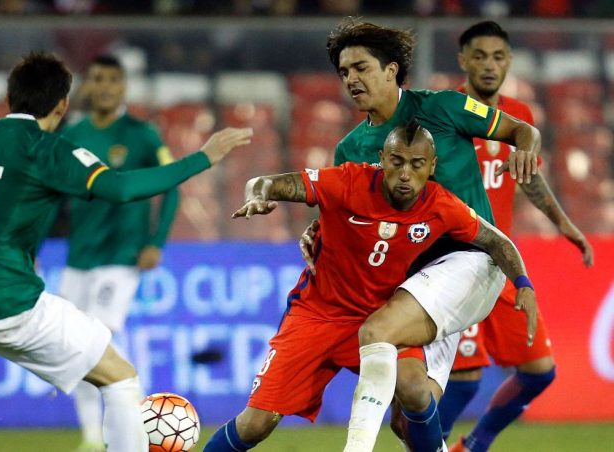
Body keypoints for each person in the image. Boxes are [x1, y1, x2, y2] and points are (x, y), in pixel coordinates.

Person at [0, 51, 252, 452]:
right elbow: (121, 189)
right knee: (119, 377)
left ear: (10, 96)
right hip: (8, 304)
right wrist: (203, 157)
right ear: (62, 104)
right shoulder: (46, 148)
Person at [203, 120, 537, 452]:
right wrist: (257, 196)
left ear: (431, 167)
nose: (405, 174)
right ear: (382, 158)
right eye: (397, 162)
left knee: (414, 390)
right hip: (317, 315)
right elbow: (265, 183)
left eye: (417, 164)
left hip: (381, 318)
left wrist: (523, 284)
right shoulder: (348, 181)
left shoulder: (440, 205)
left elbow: (497, 242)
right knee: (256, 423)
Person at [296, 18, 542, 452]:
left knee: (376, 334)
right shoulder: (350, 149)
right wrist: (315, 231)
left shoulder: (445, 107)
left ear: (391, 70)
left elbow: (522, 130)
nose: (351, 79)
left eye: (361, 67)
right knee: (411, 404)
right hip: (414, 281)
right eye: (344, 72)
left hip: (472, 259)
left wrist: (525, 149)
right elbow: (344, 220)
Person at [437, 21, 594, 452]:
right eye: (481, 56)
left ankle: (474, 445)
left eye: (499, 56)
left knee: (539, 371)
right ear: (463, 59)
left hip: (502, 263)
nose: (490, 65)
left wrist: (565, 225)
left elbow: (531, 180)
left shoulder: (519, 119)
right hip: (453, 260)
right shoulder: (443, 113)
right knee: (465, 381)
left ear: (509, 61)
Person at [57, 55, 180, 452]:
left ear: (124, 86)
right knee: (75, 343)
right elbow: (51, 194)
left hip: (122, 256)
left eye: (113, 79)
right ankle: (93, 437)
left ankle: (135, 403)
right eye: (97, 79)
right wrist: (32, 243)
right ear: (88, 86)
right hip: (79, 256)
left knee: (100, 331)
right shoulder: (73, 134)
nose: (105, 86)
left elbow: (172, 187)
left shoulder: (143, 134)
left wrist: (155, 242)